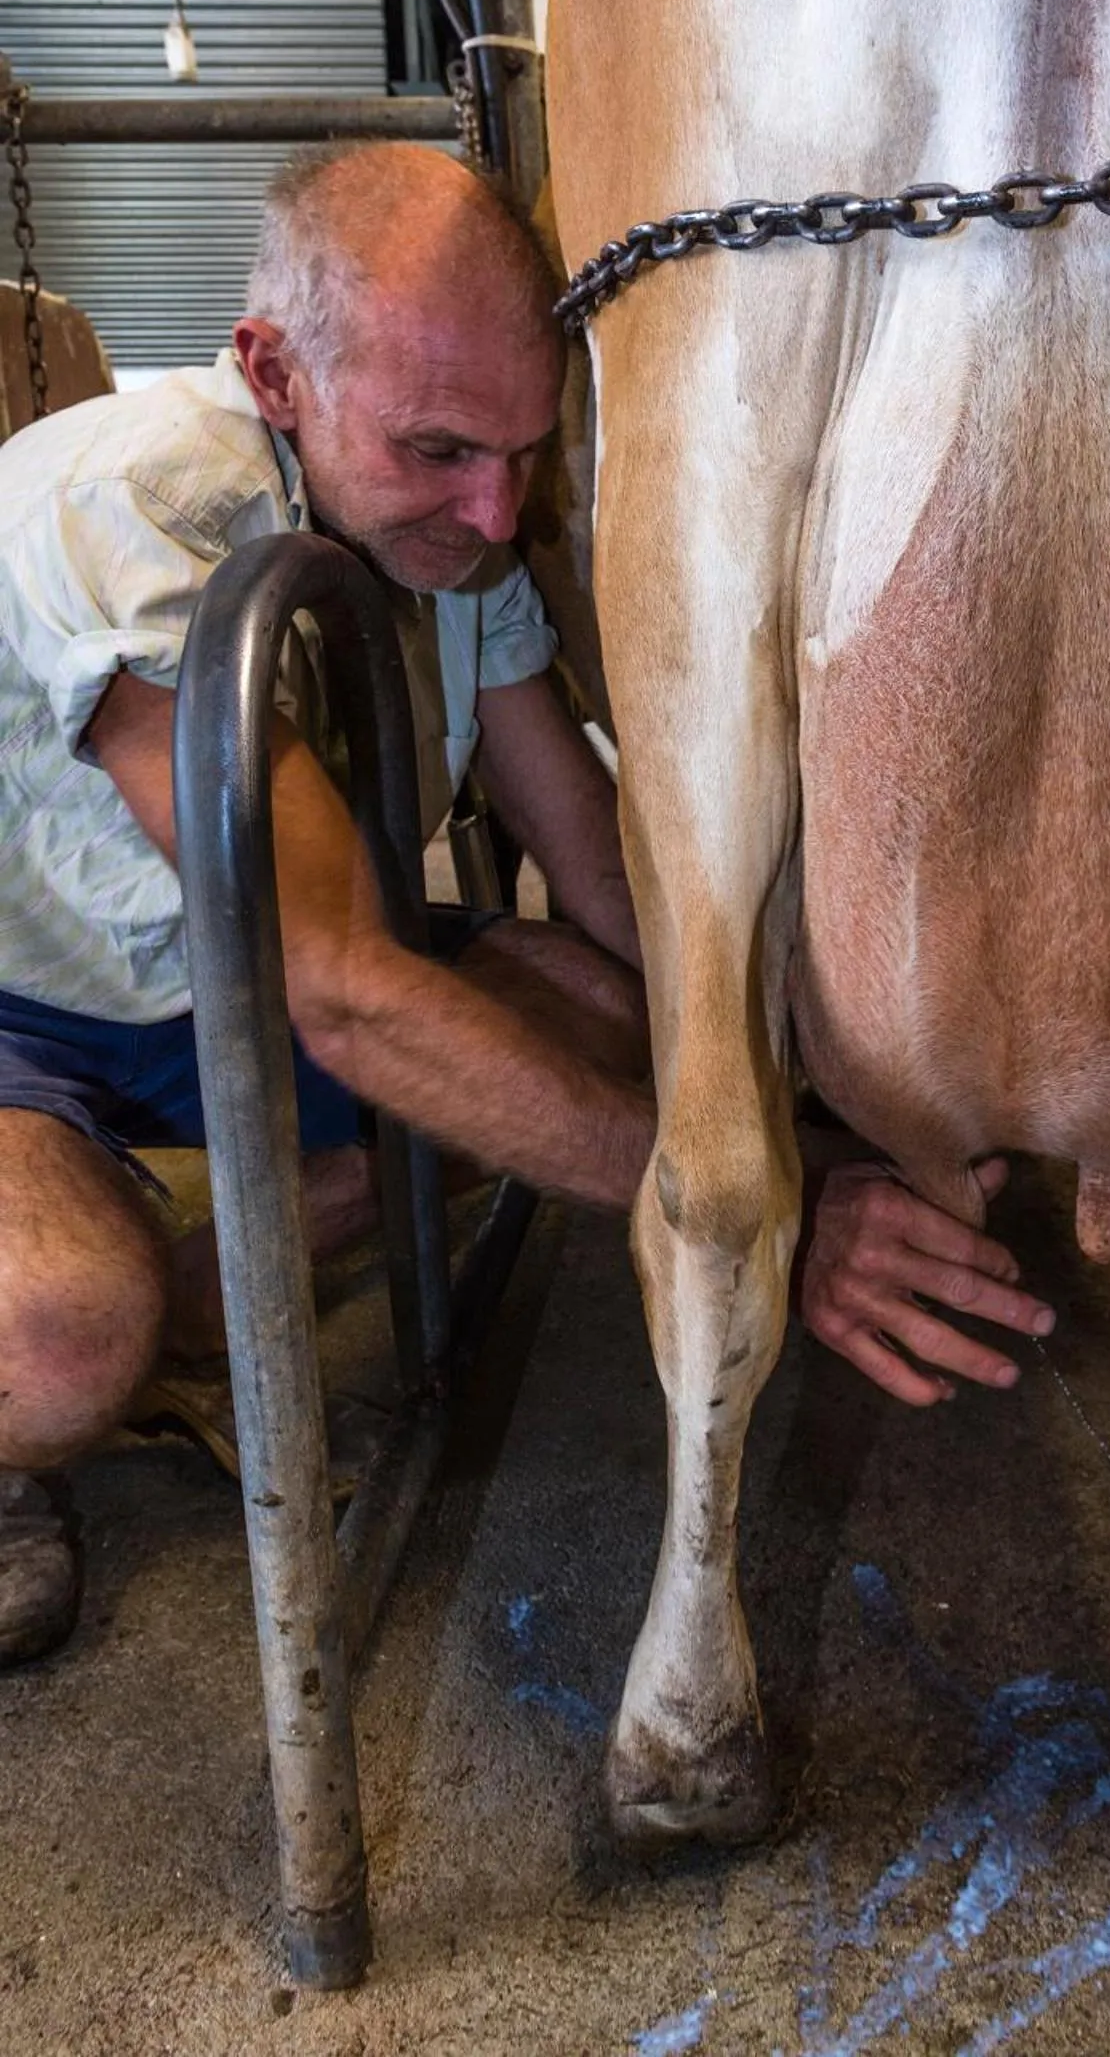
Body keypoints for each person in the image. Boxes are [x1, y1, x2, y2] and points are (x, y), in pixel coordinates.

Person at [0, 144, 1054, 1669]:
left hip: (212, 976)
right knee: (57, 1346)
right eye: (439, 451)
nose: (495, 515)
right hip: (30, 990)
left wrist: (844, 1089)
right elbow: (345, 986)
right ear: (272, 371)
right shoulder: (142, 511)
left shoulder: (453, 531)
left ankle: (187, 1297)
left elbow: (603, 868)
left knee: (615, 1027)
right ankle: (83, 1360)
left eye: (525, 451)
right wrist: (755, 1212)